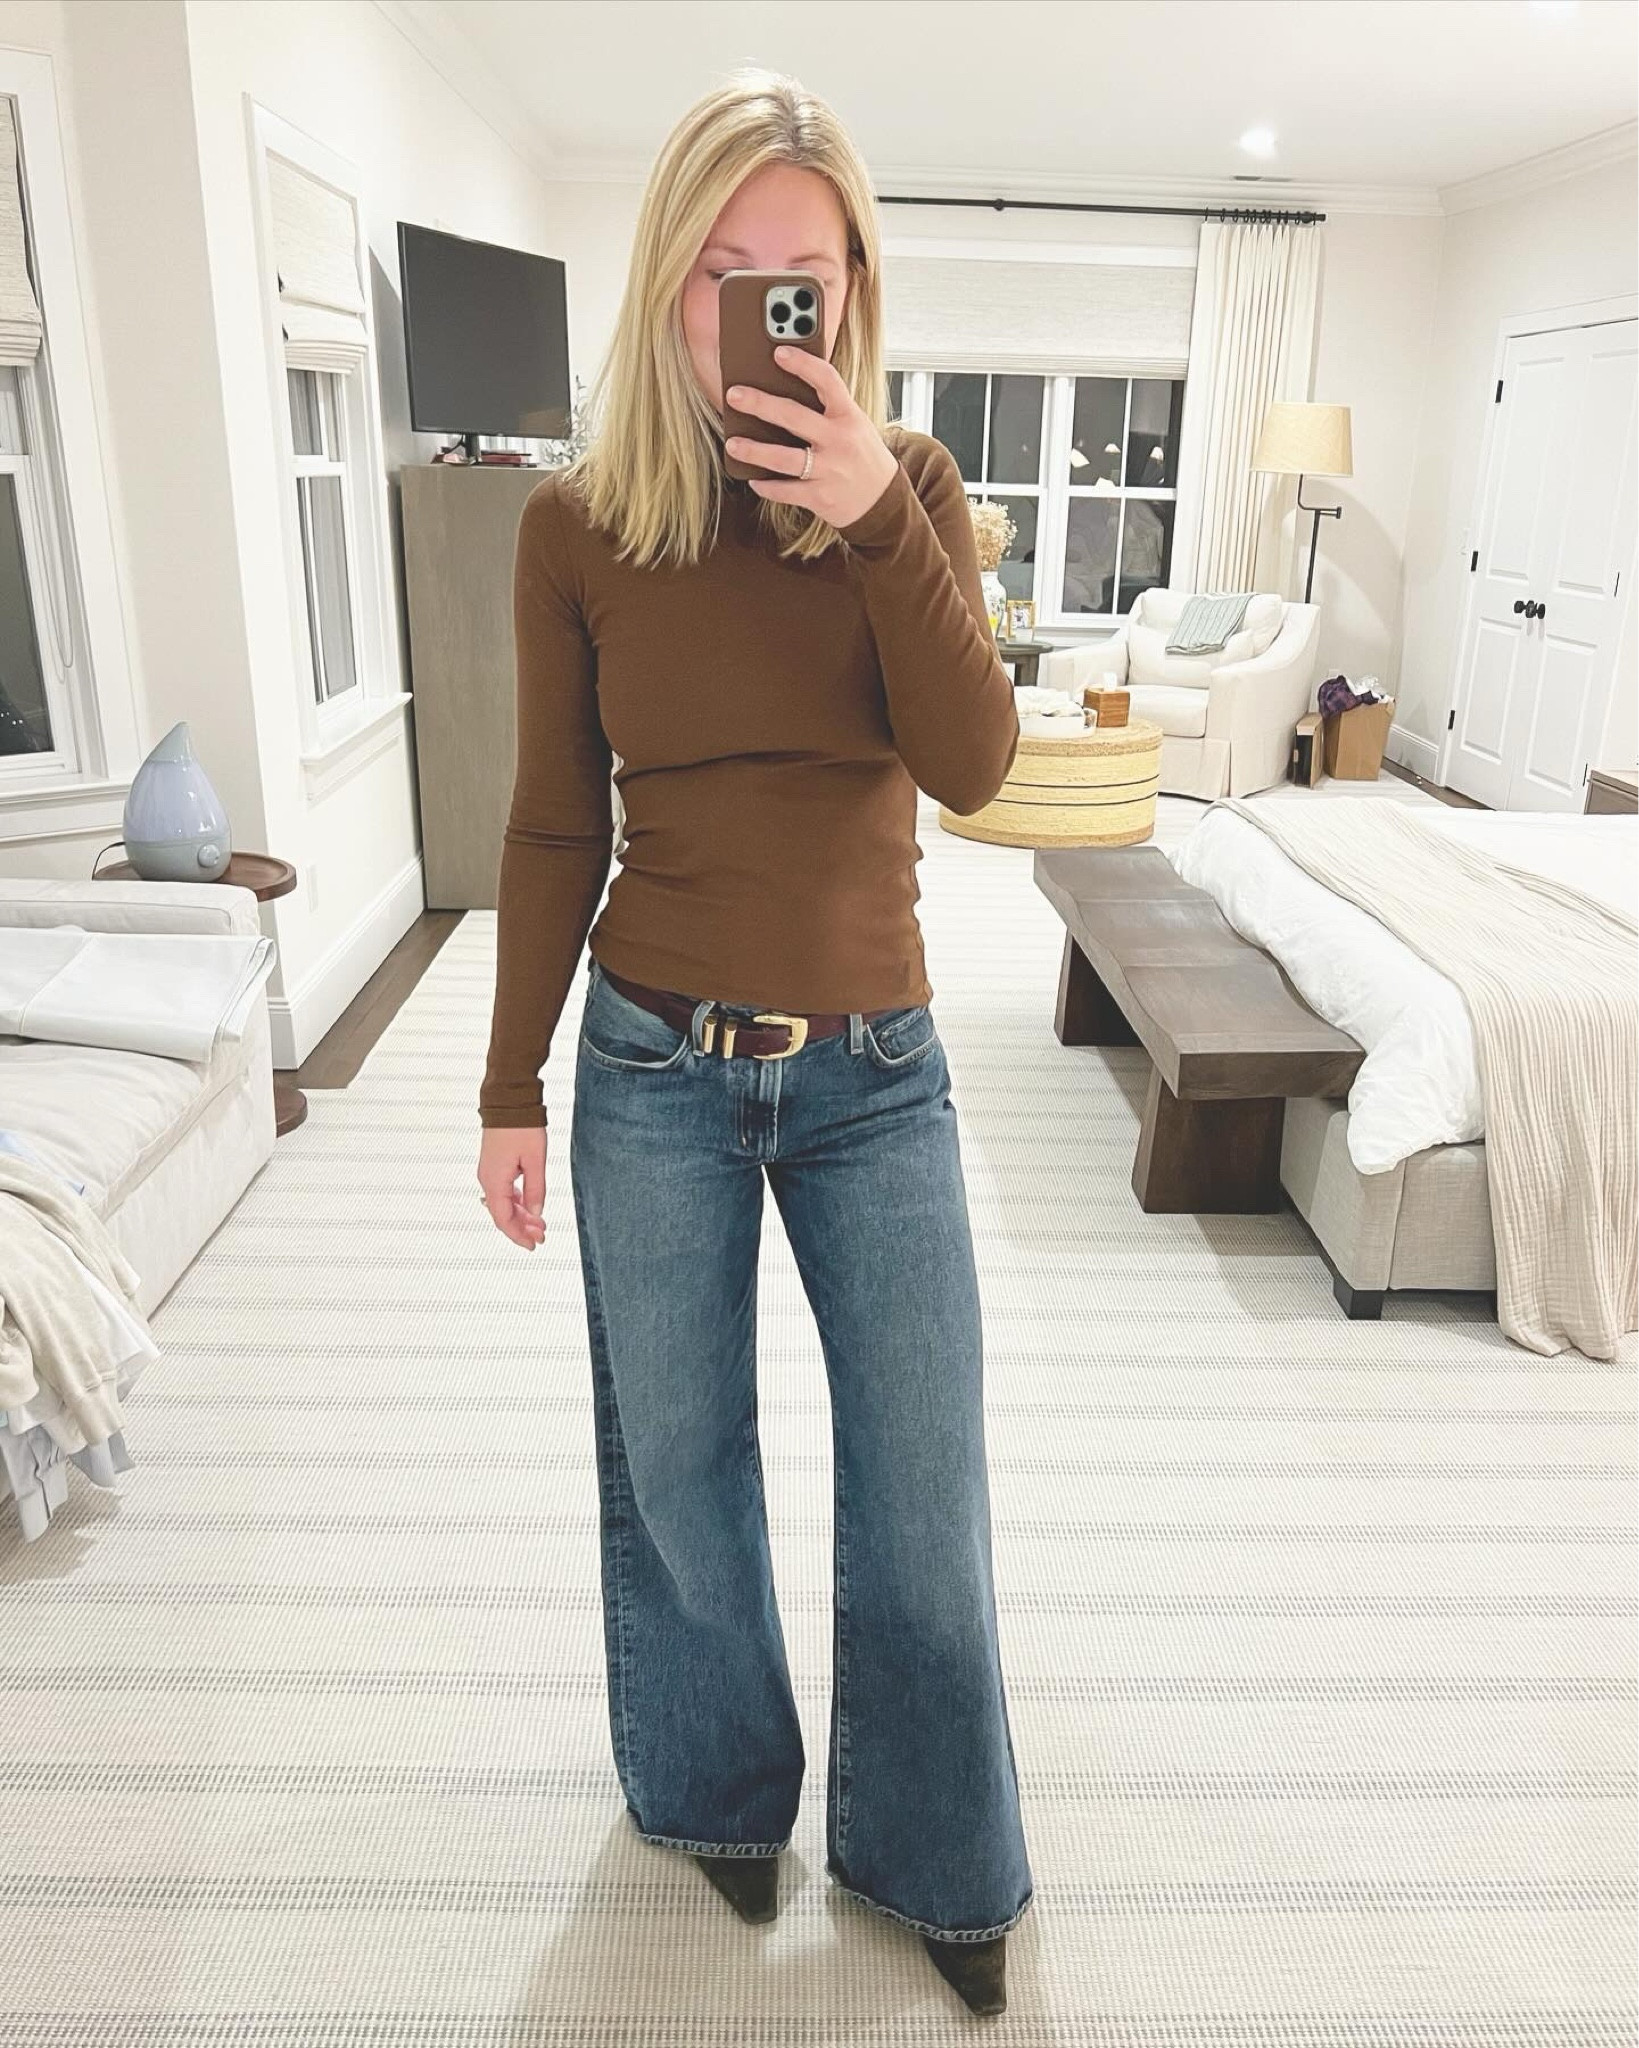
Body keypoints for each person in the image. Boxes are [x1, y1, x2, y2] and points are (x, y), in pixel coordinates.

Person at [475, 68, 1033, 2017]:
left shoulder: (917, 493)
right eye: (730, 267)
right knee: (679, 1471)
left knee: (924, 1491)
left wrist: (878, 522)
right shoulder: (575, 526)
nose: (769, 308)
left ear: (853, 290)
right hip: (651, 1072)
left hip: (877, 1081)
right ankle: (716, 1796)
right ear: (668, 283)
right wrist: (506, 1084)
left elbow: (977, 769)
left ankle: (938, 1851)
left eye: (807, 273)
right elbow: (552, 824)